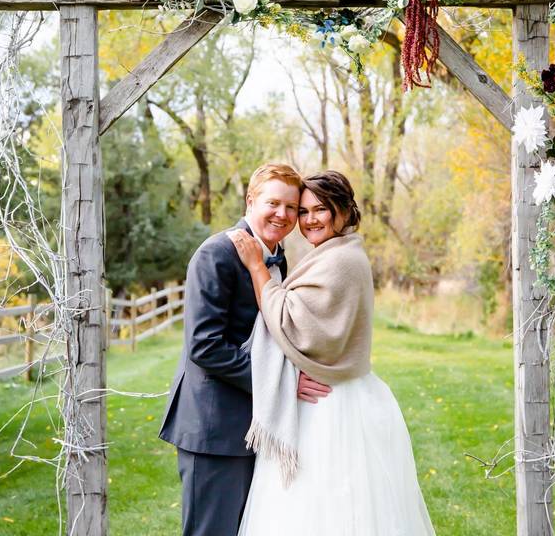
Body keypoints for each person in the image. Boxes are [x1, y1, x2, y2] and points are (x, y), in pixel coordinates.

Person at [228, 170, 435, 536]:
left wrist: (258, 268)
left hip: (332, 406)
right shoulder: (331, 253)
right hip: (327, 396)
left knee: (330, 505)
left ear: (342, 211)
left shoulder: (341, 260)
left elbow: (293, 324)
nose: (308, 220)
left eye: (319, 210)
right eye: (303, 211)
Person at [159, 163, 332, 536]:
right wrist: (283, 382)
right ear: (250, 200)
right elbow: (205, 347)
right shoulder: (217, 254)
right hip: (215, 427)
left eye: (292, 207)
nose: (283, 214)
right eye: (273, 203)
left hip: (256, 423)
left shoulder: (276, 256)